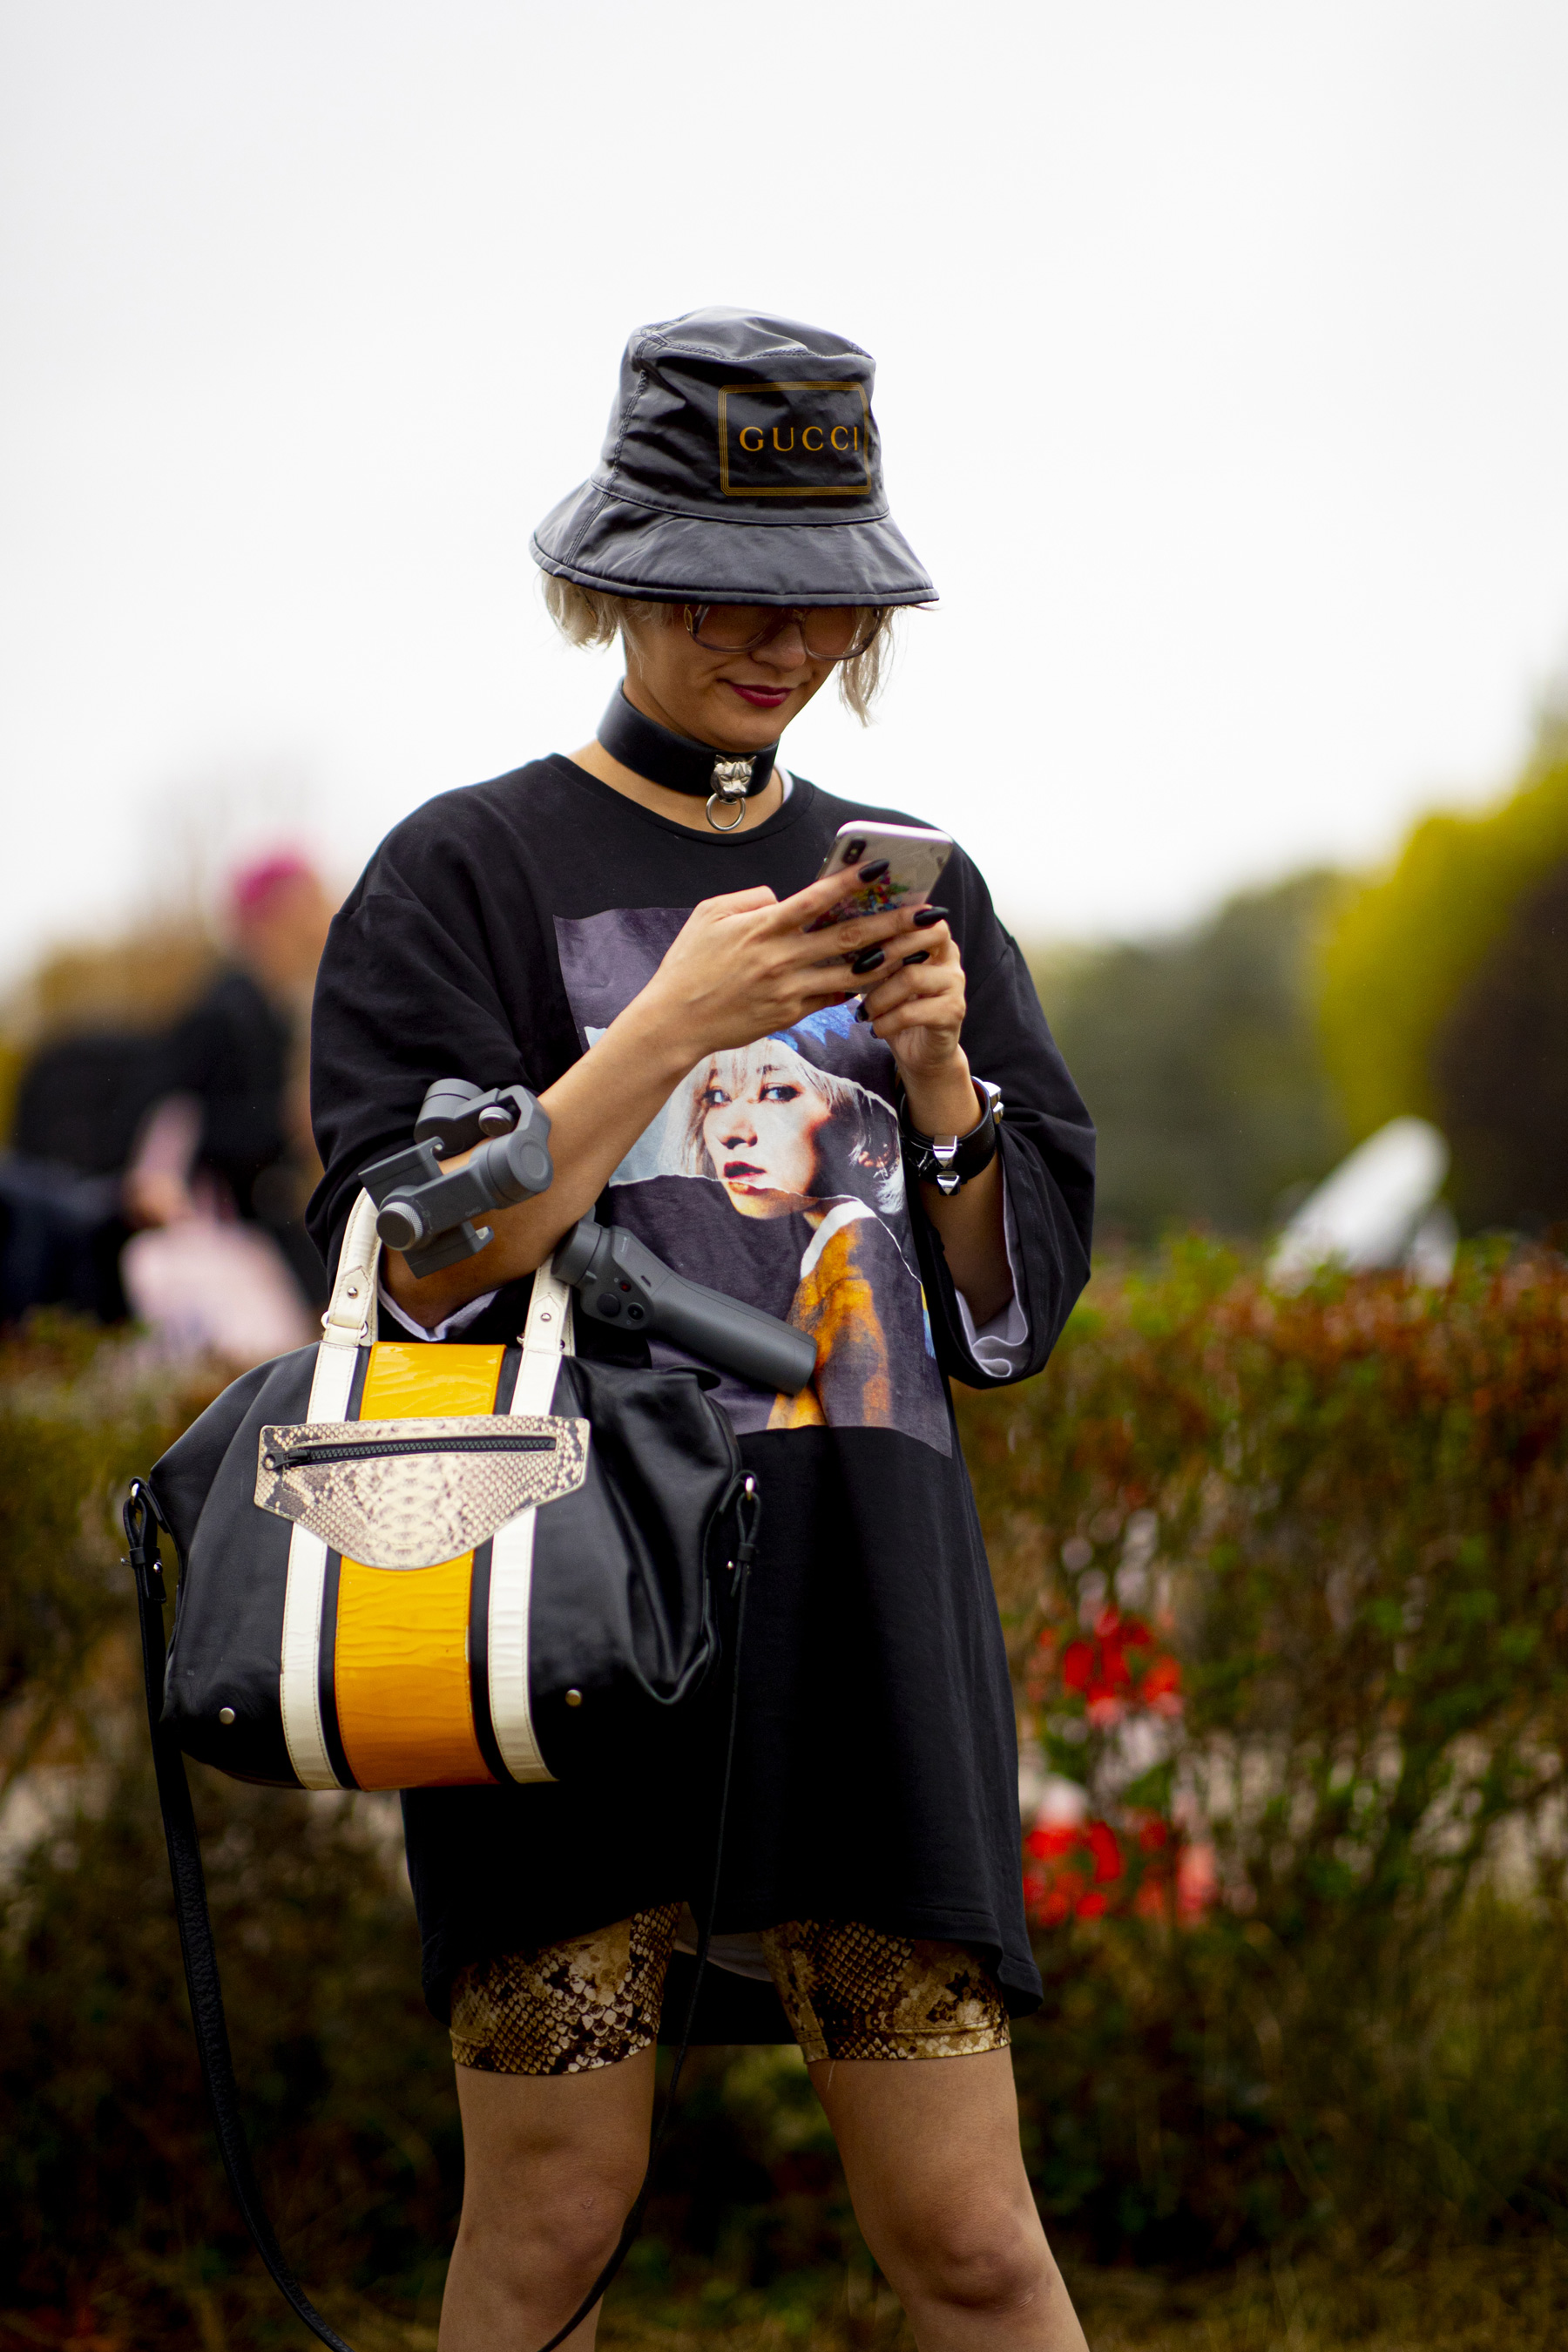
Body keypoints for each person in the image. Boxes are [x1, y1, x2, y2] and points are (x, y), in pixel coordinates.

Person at [308, 309, 1096, 2352]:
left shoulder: (920, 894)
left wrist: (940, 1091)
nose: (775, 641)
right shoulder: (458, 874)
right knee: (553, 2223)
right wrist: (667, 1022)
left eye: (820, 601)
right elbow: (412, 1262)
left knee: (979, 2243)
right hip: (557, 1611)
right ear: (612, 578)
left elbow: (1008, 1315)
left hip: (864, 1604)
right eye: (719, 590)